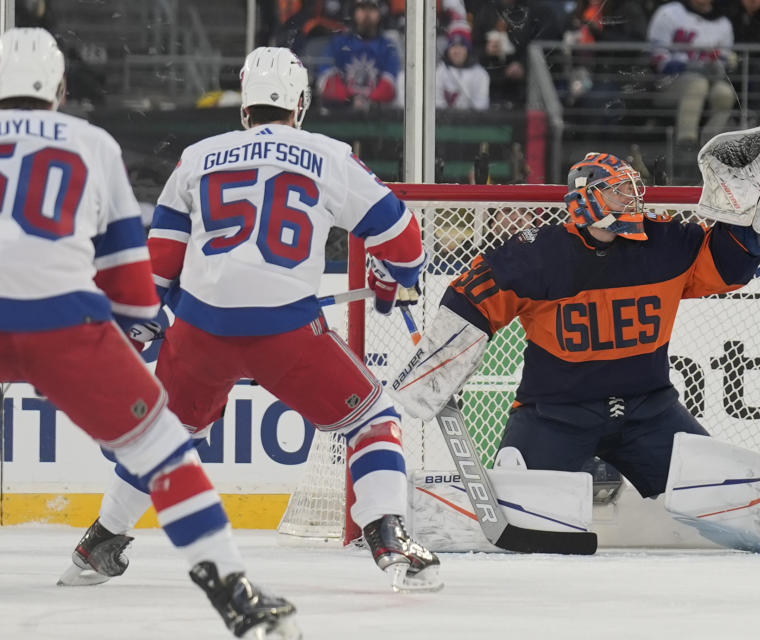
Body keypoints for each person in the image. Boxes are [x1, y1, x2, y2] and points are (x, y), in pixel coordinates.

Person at [61, 46, 442, 593]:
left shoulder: (196, 156)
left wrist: (142, 328)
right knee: (374, 418)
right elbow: (406, 244)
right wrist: (393, 274)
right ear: (301, 105)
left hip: (199, 329)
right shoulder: (329, 155)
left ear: (245, 107)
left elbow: (159, 265)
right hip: (287, 330)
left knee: (163, 436)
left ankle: (100, 541)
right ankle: (387, 532)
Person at [387, 129, 760, 554]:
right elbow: (472, 295)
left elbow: (730, 269)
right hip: (553, 416)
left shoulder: (663, 243)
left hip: (649, 412)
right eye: (622, 191)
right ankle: (389, 514)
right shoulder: (537, 255)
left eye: (635, 190)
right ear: (588, 197)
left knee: (723, 493)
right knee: (514, 503)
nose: (635, 200)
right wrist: (437, 366)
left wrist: (744, 213)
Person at [0, 28, 300, 639]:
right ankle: (233, 593)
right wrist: (143, 324)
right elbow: (128, 276)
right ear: (58, 89)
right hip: (64, 320)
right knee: (163, 448)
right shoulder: (93, 144)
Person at [646, 0, 737, 183]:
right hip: (669, 83)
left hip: (710, 80)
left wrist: (720, 64)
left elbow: (726, 58)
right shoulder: (669, 13)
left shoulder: (723, 22)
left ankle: (709, 147)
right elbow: (657, 58)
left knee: (725, 93)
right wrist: (692, 66)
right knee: (697, 83)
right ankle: (685, 146)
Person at [315, 0, 400, 110]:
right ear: (353, 11)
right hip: (340, 115)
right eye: (362, 7)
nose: (367, 13)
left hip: (379, 117)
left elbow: (392, 86)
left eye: (372, 7)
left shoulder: (388, 47)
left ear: (380, 13)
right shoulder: (338, 43)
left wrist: (369, 100)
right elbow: (325, 79)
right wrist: (350, 99)